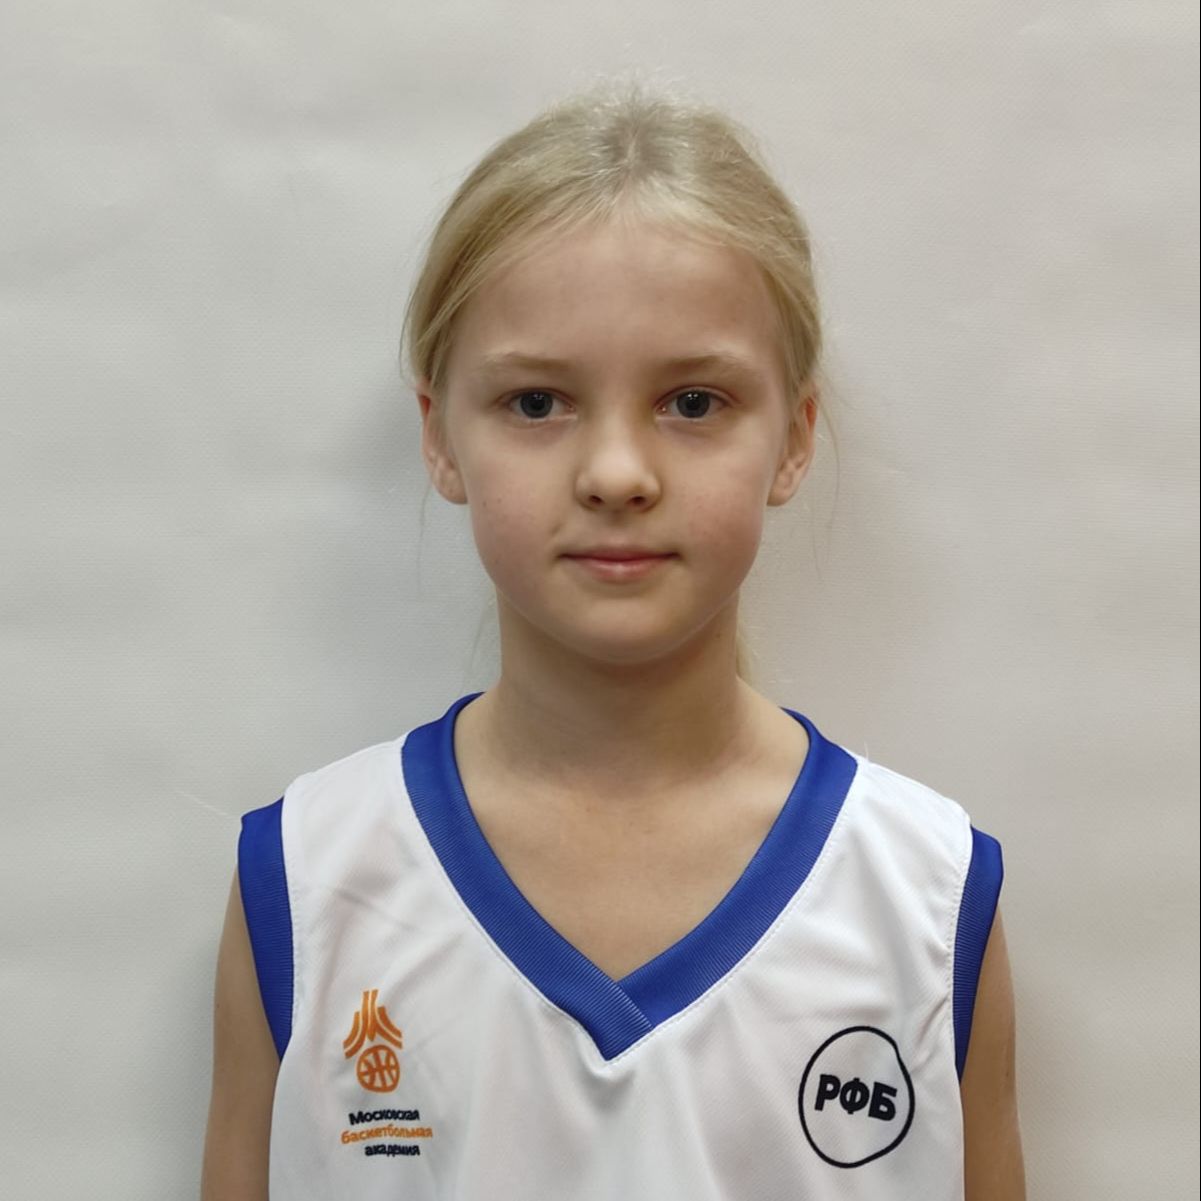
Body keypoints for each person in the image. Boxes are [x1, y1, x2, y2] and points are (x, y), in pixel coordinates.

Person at [201, 78, 1025, 1200]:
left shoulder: (927, 898)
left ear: (794, 440)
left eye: (693, 402)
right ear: (439, 436)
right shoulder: (306, 883)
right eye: (537, 403)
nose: (618, 474)